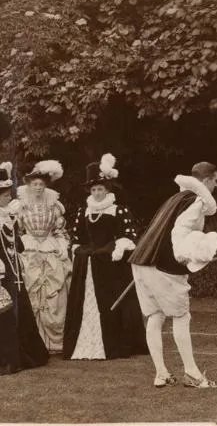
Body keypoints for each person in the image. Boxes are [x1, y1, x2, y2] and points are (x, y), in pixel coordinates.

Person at [127, 162, 217, 388]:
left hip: (141, 262)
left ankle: (161, 374)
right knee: (181, 316)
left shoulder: (174, 199)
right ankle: (192, 374)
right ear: (206, 181)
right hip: (163, 267)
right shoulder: (196, 201)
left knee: (156, 316)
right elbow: (179, 231)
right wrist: (184, 256)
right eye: (215, 180)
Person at [63, 154, 148, 360]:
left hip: (111, 267)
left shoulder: (118, 210)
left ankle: (114, 343)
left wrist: (117, 247)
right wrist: (78, 249)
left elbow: (129, 236)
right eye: (93, 189)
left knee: (113, 304)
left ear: (107, 189)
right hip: (88, 266)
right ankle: (84, 342)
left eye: (100, 189)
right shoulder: (83, 211)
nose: (97, 193)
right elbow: (76, 237)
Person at [17, 159, 72, 352]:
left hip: (50, 249)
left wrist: (62, 245)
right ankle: (35, 341)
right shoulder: (21, 207)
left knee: (54, 294)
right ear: (29, 186)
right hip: (30, 249)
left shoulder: (54, 205)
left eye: (41, 184)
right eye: (35, 184)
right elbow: (18, 231)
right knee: (32, 291)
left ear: (45, 186)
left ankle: (54, 342)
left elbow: (60, 230)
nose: (38, 187)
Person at [0, 161, 49, 374]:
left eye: (7, 194)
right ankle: (9, 358)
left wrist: (13, 224)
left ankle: (23, 353)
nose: (7, 197)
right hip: (2, 272)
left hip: (14, 272)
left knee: (20, 311)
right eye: (3, 195)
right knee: (7, 315)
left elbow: (17, 245)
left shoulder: (9, 216)